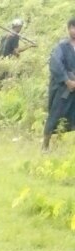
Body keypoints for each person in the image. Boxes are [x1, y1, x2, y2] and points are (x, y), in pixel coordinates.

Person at [42, 19, 75, 152]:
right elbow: (55, 65)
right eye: (73, 27)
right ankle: (45, 146)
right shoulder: (61, 46)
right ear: (68, 29)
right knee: (55, 115)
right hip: (63, 88)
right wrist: (67, 81)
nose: (74, 30)